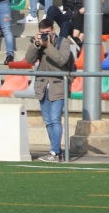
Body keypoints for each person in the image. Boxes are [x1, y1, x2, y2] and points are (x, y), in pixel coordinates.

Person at [25, 18, 75, 162]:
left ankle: (54, 151)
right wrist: (35, 44)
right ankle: (56, 152)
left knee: (55, 119)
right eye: (42, 33)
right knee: (48, 121)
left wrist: (47, 46)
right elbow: (28, 61)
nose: (45, 35)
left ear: (53, 30)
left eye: (47, 32)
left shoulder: (62, 42)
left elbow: (61, 60)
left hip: (58, 85)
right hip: (42, 86)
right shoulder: (38, 42)